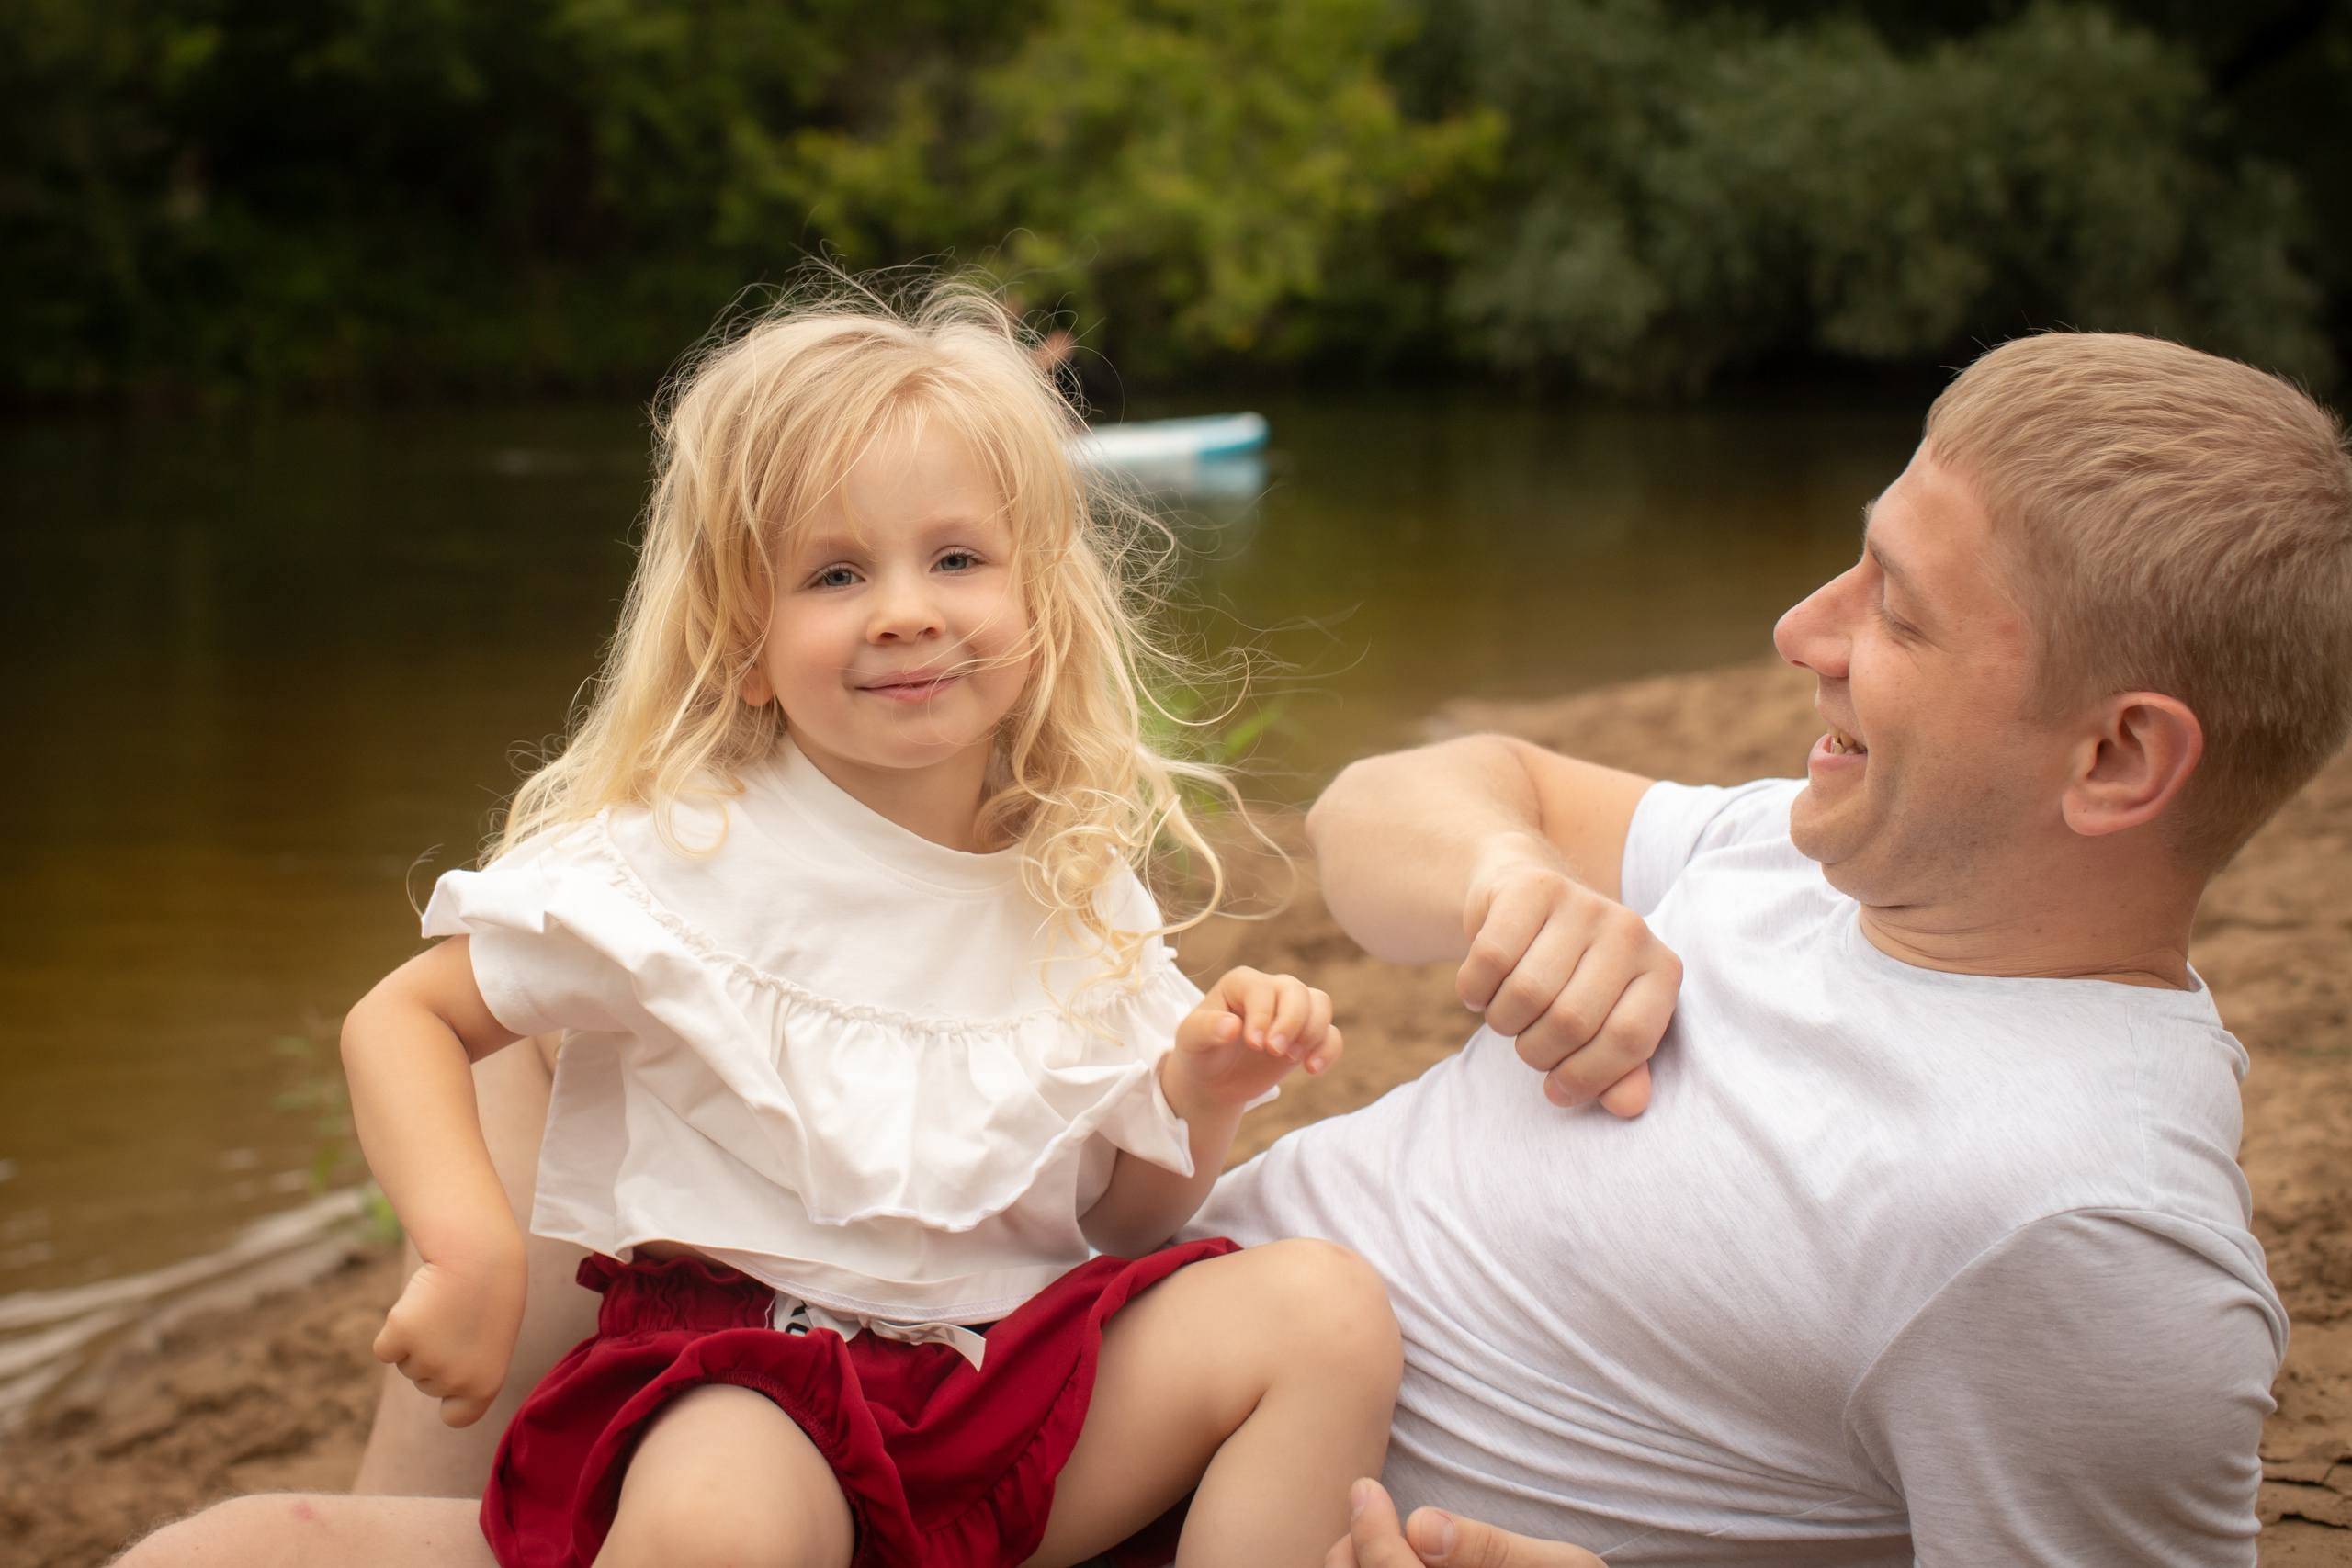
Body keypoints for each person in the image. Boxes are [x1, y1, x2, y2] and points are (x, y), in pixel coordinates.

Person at [124, 278, 1402, 1568]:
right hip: (751, 1386)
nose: (906, 609)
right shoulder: (685, 853)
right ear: (742, 641)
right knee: (718, 1502)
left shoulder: (1073, 881)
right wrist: (466, 1253)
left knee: (1326, 1312)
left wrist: (1201, 1093)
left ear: (1042, 605)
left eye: (957, 559)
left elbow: (1122, 1223)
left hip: (1006, 1390)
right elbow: (404, 1019)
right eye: (835, 574)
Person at [1272, 330, 2352, 1565]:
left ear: (2114, 758)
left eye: (1897, 608)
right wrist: (1507, 877)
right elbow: (1366, 812)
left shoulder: (2085, 1239)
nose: (1799, 629)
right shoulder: (1829, 854)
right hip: (1137, 1350)